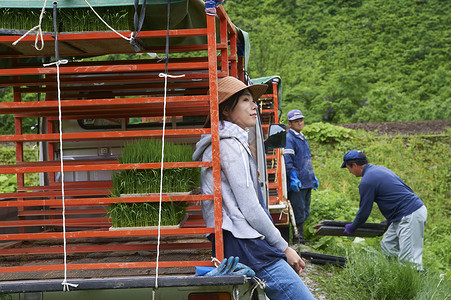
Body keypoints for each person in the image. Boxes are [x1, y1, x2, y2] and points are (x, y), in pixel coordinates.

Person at [193, 76, 315, 300]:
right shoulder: (230, 145)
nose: (255, 106)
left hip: (234, 241)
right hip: (245, 243)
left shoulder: (222, 142)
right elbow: (250, 208)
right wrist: (284, 248)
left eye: (253, 100)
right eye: (246, 100)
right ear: (227, 110)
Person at [341, 150, 427, 269]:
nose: (349, 172)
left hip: (410, 214)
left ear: (354, 165)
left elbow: (364, 211)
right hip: (401, 215)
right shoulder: (378, 170)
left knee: (409, 259)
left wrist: (353, 227)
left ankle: (415, 280)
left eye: (348, 168)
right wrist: (391, 219)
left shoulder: (367, 181)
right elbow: (404, 190)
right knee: (388, 246)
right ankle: (397, 274)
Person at [283, 109, 319, 244]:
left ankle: (300, 237)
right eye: (296, 121)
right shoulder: (289, 138)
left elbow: (306, 159)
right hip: (298, 182)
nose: (299, 123)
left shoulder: (302, 137)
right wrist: (293, 177)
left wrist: (313, 177)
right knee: (298, 211)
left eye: (301, 120)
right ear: (290, 123)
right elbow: (288, 159)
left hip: (306, 180)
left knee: (305, 210)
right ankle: (298, 238)